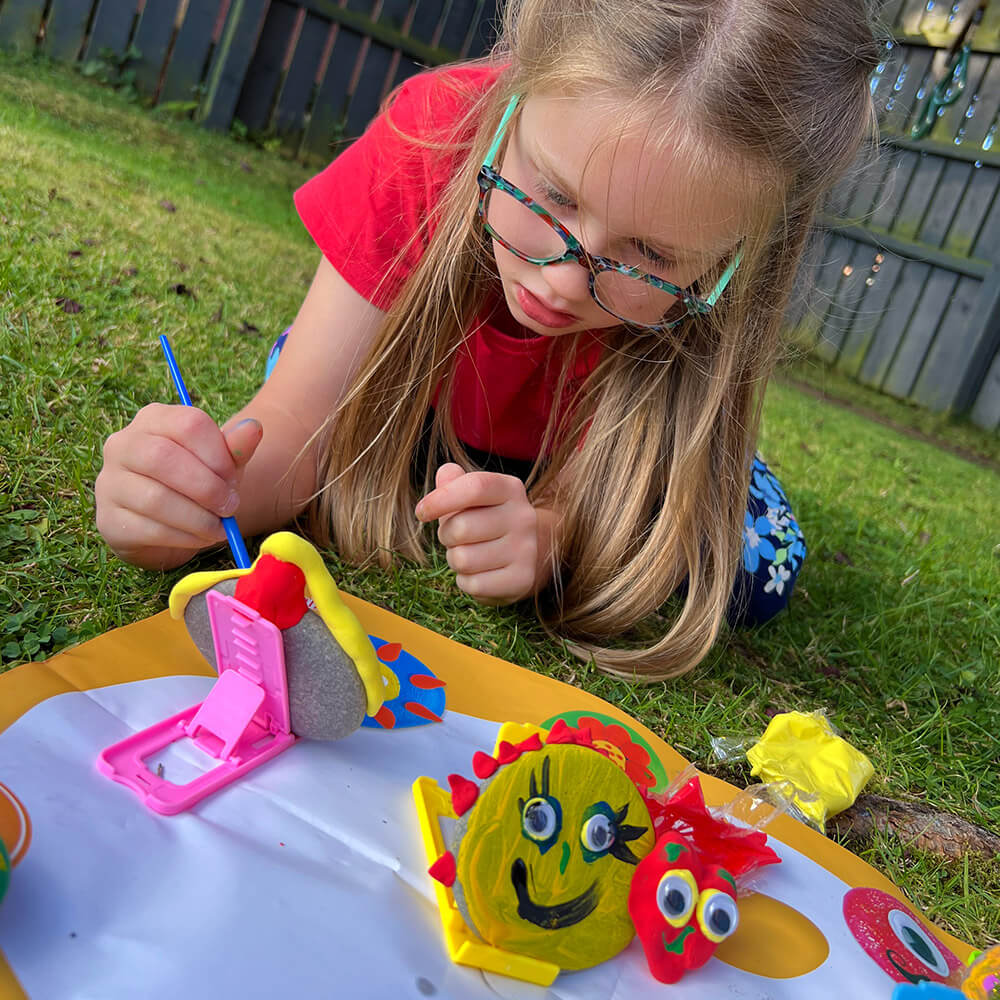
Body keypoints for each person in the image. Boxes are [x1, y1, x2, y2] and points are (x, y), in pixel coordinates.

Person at [96, 0, 881, 680]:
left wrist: (556, 536)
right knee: (328, 406)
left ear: (730, 259)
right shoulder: (430, 135)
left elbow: (677, 491)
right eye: (554, 195)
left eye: (652, 255)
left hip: (581, 456)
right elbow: (299, 428)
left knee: (754, 561)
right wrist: (190, 502)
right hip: (413, 398)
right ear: (511, 100)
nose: (565, 281)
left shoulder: (722, 251)